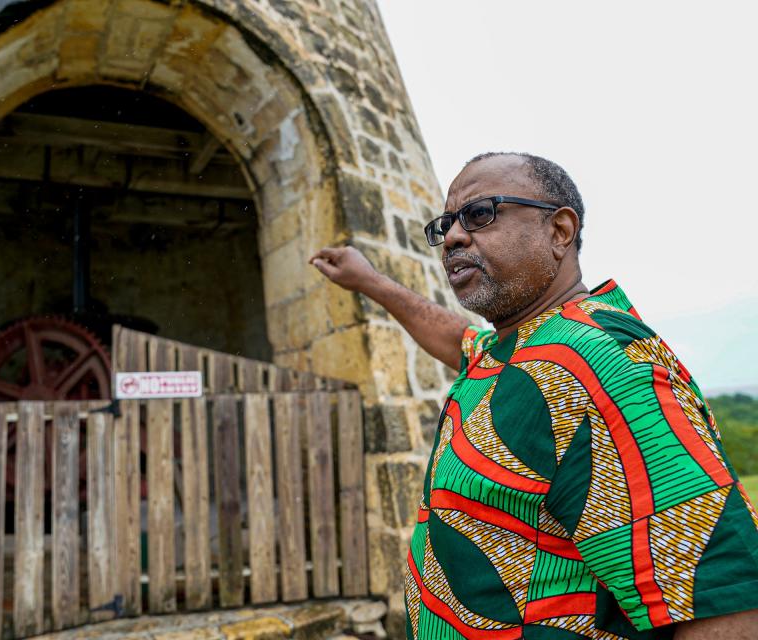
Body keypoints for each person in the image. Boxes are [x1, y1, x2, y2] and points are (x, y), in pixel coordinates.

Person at [309, 152, 758, 639]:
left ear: (559, 232)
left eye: (481, 214)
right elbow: (451, 336)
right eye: (445, 224)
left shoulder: (598, 363)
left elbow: (720, 593)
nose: (454, 236)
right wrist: (368, 281)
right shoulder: (515, 350)